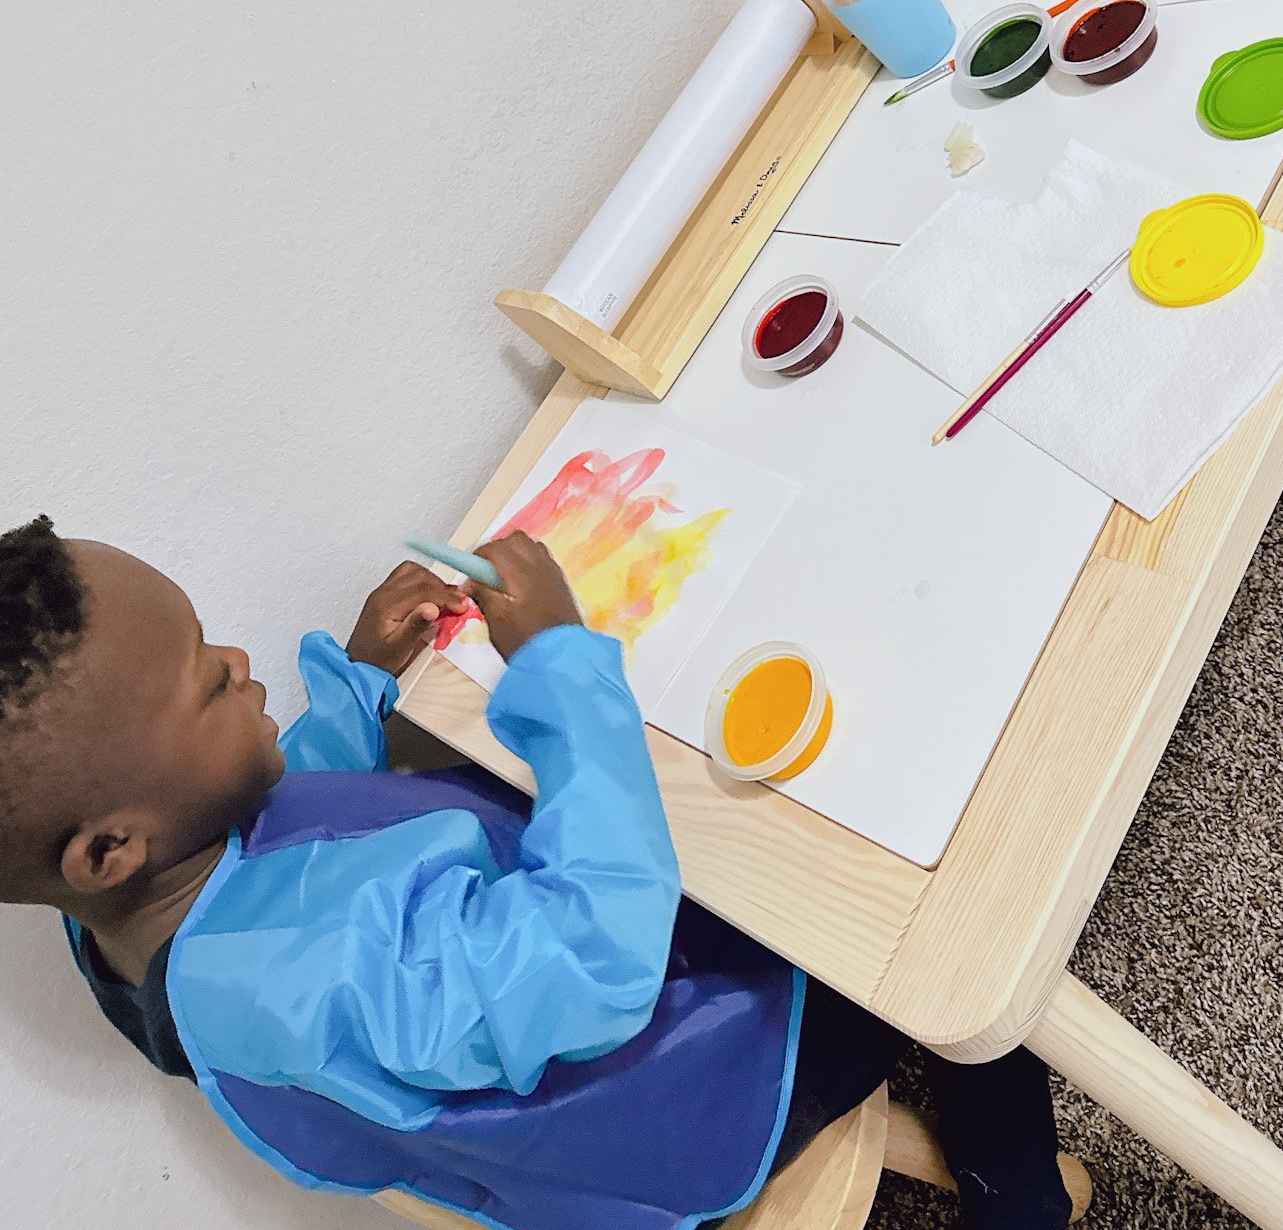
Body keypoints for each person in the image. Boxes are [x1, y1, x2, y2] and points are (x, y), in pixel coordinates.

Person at [0, 514, 1087, 1228]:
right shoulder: (321, 979)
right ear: (108, 848)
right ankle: (1021, 1197)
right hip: (688, 1093)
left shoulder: (139, 921)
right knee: (929, 924)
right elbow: (596, 960)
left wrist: (359, 685)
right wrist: (562, 665)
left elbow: (270, 841)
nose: (241, 661)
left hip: (567, 1053)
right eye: (205, 680)